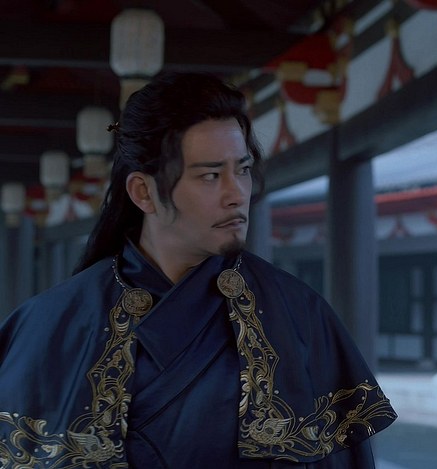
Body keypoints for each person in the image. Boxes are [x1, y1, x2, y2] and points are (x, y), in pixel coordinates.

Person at [0, 72, 396, 468]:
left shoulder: (299, 314)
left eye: (242, 169)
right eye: (210, 175)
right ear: (143, 192)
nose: (236, 194)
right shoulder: (50, 323)